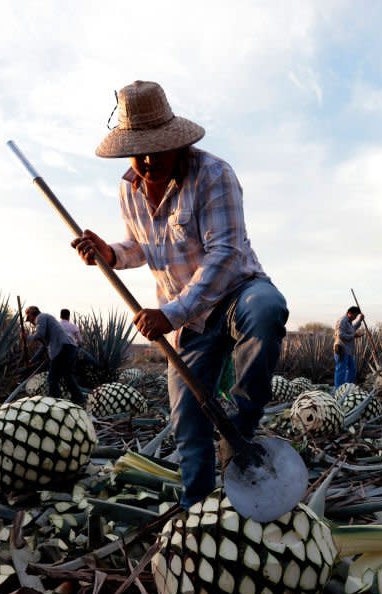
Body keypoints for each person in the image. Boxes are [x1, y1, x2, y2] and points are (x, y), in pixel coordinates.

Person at [71, 80, 289, 510]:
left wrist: (171, 312)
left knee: (267, 310)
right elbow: (144, 247)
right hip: (187, 321)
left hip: (235, 293)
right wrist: (110, 253)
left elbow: (224, 254)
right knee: (187, 422)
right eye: (140, 149)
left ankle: (239, 432)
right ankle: (199, 511)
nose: (148, 159)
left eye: (158, 148)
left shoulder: (214, 175)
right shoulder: (127, 188)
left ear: (178, 143)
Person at [24, 305, 83, 404]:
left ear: (32, 315)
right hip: (70, 348)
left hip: (63, 348)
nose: (30, 322)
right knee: (67, 375)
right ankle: (79, 399)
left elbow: (39, 335)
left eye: (29, 319)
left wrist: (27, 337)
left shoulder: (41, 317)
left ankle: (55, 403)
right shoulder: (47, 321)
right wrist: (32, 360)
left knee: (52, 378)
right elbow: (44, 346)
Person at [334, 305, 365, 388]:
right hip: (341, 349)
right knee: (341, 370)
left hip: (348, 351)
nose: (355, 318)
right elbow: (340, 335)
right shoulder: (342, 321)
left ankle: (347, 387)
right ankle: (339, 390)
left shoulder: (348, 321)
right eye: (355, 316)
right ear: (349, 313)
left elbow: (352, 329)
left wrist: (359, 320)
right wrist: (354, 336)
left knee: (352, 369)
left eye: (356, 316)